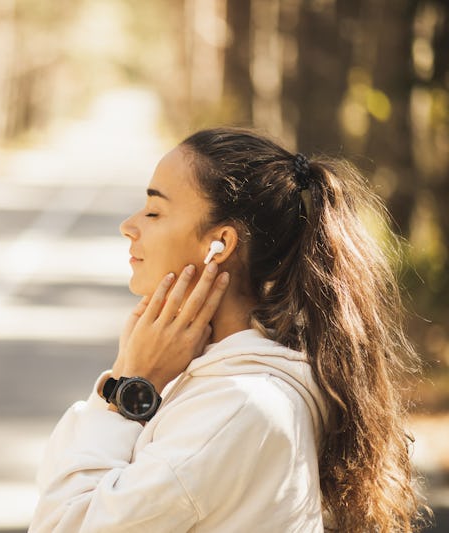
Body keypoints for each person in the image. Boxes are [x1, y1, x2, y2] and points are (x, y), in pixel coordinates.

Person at [29, 128, 428, 532]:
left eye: (153, 212)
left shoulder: (237, 406)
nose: (128, 226)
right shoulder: (228, 382)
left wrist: (131, 385)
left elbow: (64, 524)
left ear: (219, 244)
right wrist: (129, 379)